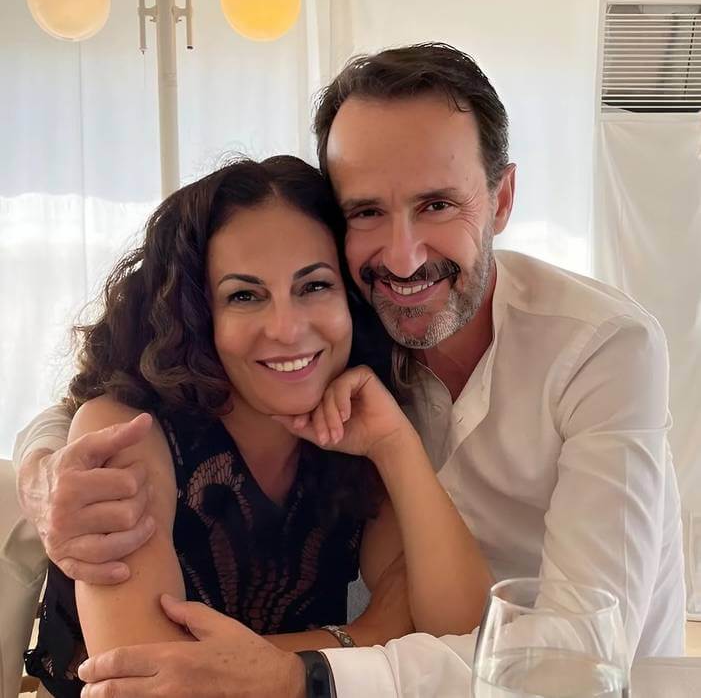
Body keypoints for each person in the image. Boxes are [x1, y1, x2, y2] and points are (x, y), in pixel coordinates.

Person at [13, 43, 685, 698]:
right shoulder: (362, 334)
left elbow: (573, 659)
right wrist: (41, 467)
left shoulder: (598, 348)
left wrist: (296, 674)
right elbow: (111, 405)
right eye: (367, 212)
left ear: (502, 198)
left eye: (437, 204)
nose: (401, 257)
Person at [18, 155, 490, 698]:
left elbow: (465, 641)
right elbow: (147, 680)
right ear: (197, 314)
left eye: (314, 286)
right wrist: (365, 637)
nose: (286, 329)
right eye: (244, 295)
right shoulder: (129, 432)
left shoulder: (359, 426)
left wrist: (395, 446)